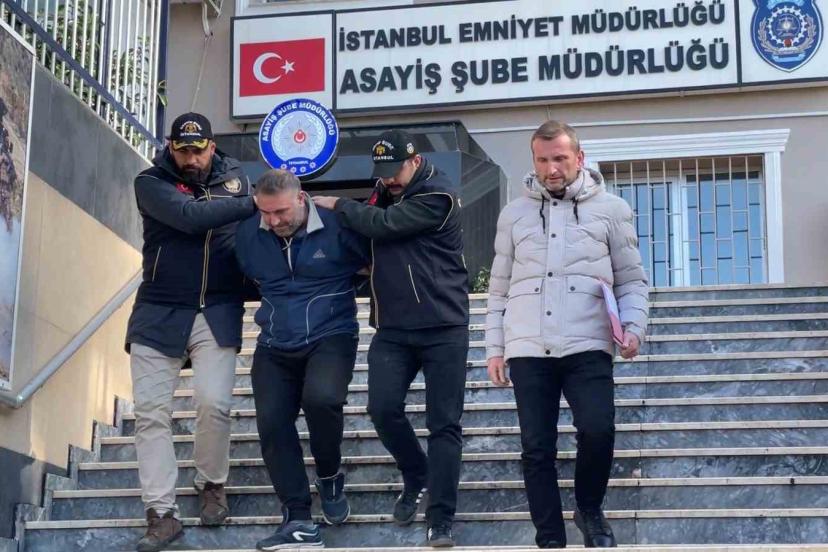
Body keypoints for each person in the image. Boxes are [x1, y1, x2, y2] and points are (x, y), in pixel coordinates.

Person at [485, 120, 649, 549]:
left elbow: (631, 280)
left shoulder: (612, 209)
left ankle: (589, 509)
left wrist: (634, 327)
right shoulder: (513, 214)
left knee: (598, 430)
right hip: (528, 345)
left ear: (579, 158)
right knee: (536, 447)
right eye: (542, 160)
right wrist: (495, 348)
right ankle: (550, 538)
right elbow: (498, 289)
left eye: (559, 158)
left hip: (588, 341)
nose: (551, 168)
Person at [313, 129, 469, 548]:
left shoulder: (439, 195)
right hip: (394, 328)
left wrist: (338, 204)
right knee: (381, 409)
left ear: (415, 161)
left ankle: (441, 519)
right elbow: (368, 238)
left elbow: (384, 226)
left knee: (444, 426)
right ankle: (416, 471)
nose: (388, 179)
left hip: (443, 326)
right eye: (382, 172)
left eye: (395, 170)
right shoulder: (383, 191)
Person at [125, 113, 256, 552]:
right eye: (182, 150)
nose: (191, 159)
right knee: (150, 413)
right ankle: (161, 515)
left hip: (217, 308)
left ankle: (212, 484)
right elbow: (188, 217)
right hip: (158, 310)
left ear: (212, 147)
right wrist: (251, 202)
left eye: (198, 150)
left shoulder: (236, 179)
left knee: (214, 403)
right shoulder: (150, 181)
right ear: (170, 147)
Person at [235, 169, 371, 551]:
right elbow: (242, 279)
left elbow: (376, 264)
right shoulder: (248, 234)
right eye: (265, 213)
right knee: (272, 423)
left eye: (280, 212)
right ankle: (298, 518)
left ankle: (329, 475)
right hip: (275, 342)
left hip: (331, 334)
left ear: (300, 198)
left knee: (322, 400)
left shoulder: (336, 224)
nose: (273, 221)